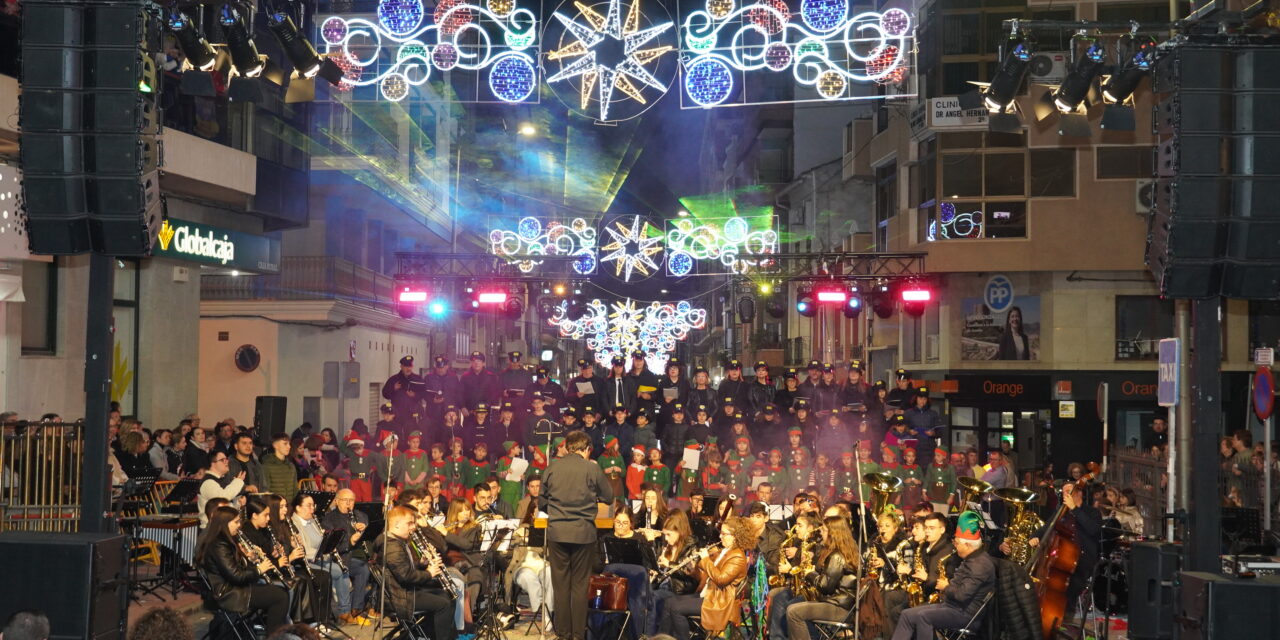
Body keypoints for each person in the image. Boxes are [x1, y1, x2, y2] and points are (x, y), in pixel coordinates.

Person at [542, 429, 613, 640]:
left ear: (568, 447)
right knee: (580, 586)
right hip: (583, 533)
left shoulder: (552, 468)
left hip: (557, 533)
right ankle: (577, 635)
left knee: (560, 585)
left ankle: (562, 633)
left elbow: (542, 503)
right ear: (586, 449)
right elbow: (608, 497)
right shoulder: (591, 469)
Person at [891, 511, 994, 640]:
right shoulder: (971, 558)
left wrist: (946, 586)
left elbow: (961, 595)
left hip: (965, 613)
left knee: (923, 617)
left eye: (957, 543)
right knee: (907, 614)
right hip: (952, 606)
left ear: (967, 544)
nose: (955, 546)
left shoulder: (980, 564)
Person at [197, 505, 291, 634]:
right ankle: (274, 636)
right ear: (224, 524)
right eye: (236, 522)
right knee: (279, 596)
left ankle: (276, 633)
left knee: (280, 592)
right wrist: (259, 570)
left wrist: (249, 558)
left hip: (238, 587)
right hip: (229, 594)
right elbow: (237, 576)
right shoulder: (218, 545)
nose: (239, 525)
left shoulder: (227, 540)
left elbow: (237, 568)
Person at [658, 516, 752, 640]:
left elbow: (721, 579)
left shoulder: (737, 557)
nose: (720, 536)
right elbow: (706, 576)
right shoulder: (725, 551)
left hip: (719, 602)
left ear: (735, 536)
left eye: (724, 534)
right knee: (669, 602)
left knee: (676, 608)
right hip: (709, 594)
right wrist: (693, 570)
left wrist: (706, 559)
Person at [785, 515, 879, 640]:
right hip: (841, 605)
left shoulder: (837, 556)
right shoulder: (846, 551)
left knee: (793, 612)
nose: (821, 533)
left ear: (832, 533)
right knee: (794, 607)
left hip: (839, 608)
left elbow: (825, 586)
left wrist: (810, 573)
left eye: (823, 530)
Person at [384, 505, 458, 640]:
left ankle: (430, 635)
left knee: (446, 595)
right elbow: (405, 577)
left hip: (405, 591)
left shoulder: (398, 541)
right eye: (409, 523)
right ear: (396, 525)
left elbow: (404, 569)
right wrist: (429, 573)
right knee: (444, 604)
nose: (413, 527)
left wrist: (421, 563)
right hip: (400, 597)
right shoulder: (392, 547)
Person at [321, 489, 374, 624]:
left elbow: (365, 520)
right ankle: (344, 611)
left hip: (351, 557)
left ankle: (356, 609)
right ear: (337, 501)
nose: (348, 503)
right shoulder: (329, 519)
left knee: (364, 569)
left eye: (351, 500)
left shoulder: (359, 515)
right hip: (335, 559)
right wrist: (351, 540)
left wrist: (363, 526)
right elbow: (331, 546)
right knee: (346, 568)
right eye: (345, 500)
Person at [198, 452, 245, 527]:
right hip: (211, 530)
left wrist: (237, 503)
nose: (227, 462)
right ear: (213, 463)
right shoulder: (208, 482)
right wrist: (238, 482)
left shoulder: (219, 480)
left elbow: (225, 507)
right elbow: (222, 499)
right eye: (222, 460)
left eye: (226, 459)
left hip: (221, 528)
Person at [260, 434, 298, 502]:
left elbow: (295, 489)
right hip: (275, 506)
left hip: (289, 505)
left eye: (289, 444)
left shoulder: (291, 466)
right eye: (285, 444)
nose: (289, 447)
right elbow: (265, 490)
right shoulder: (267, 466)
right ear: (275, 445)